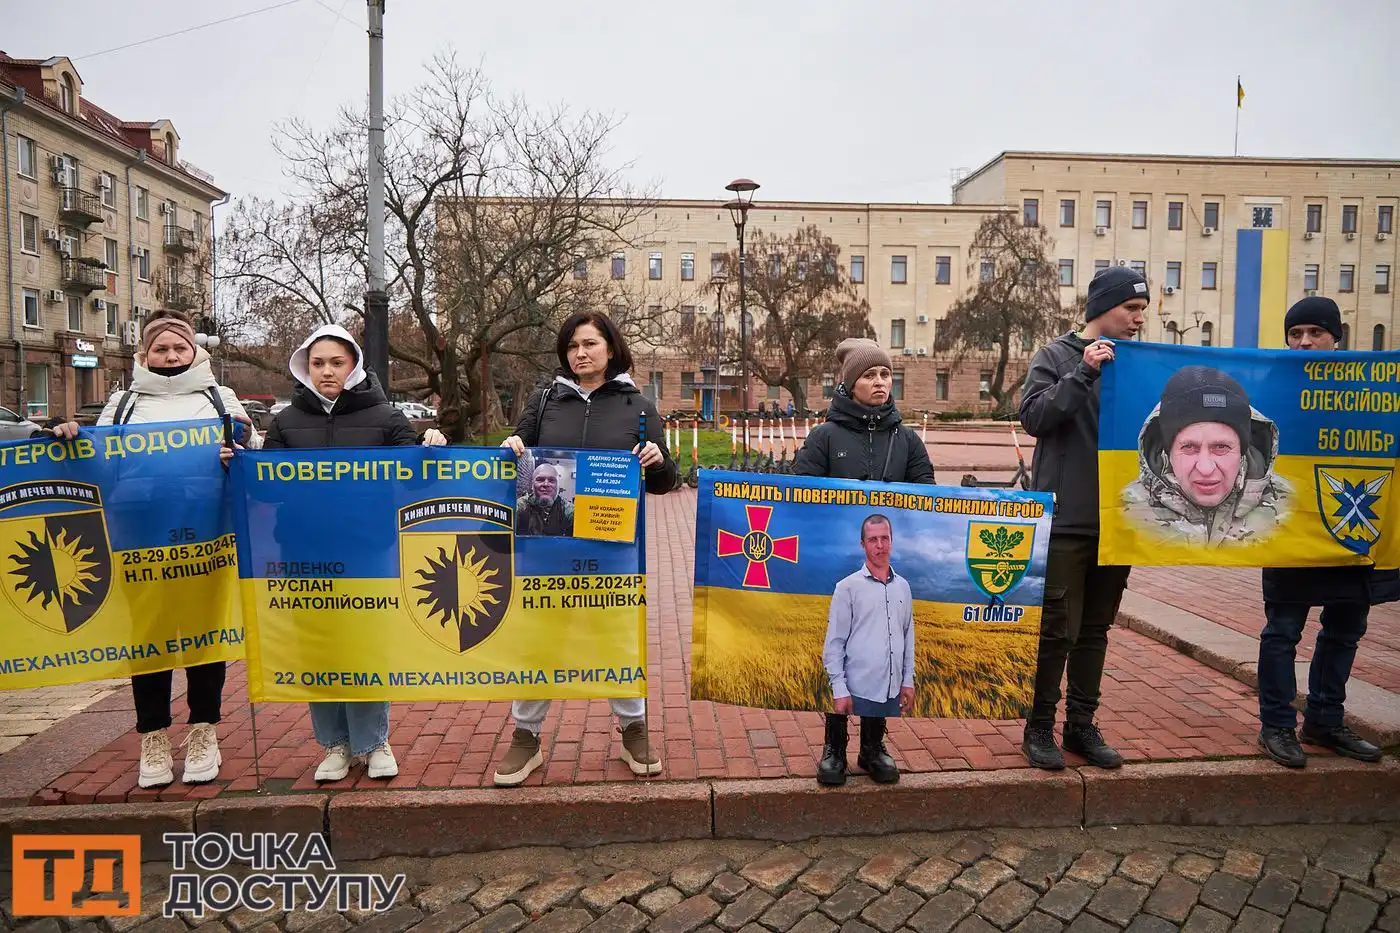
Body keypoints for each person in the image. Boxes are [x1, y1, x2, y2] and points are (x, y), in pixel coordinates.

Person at [44, 309, 260, 789]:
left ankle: (204, 730)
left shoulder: (219, 398)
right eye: (160, 349)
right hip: (141, 544)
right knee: (150, 642)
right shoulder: (121, 404)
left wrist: (239, 449)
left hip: (206, 540)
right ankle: (154, 735)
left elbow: (251, 449)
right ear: (144, 354)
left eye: (178, 347)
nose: (170, 355)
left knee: (206, 638)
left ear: (193, 351)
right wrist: (67, 437)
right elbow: (96, 462)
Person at [495, 310, 678, 785]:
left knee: (616, 636)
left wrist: (658, 462)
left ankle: (633, 729)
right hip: (545, 547)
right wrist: (512, 447)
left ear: (611, 349)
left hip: (612, 547)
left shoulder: (638, 406)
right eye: (574, 346)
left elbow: (664, 482)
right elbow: (516, 459)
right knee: (540, 640)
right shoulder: (545, 399)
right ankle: (526, 737)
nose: (581, 353)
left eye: (591, 344)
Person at [260, 323, 445, 783]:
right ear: (305, 367)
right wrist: (236, 463)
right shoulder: (284, 422)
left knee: (365, 646)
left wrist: (432, 450)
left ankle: (373, 740)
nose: (326, 371)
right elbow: (264, 487)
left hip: (367, 550)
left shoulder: (385, 417)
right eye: (318, 363)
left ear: (354, 365)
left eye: (336, 362)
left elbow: (418, 478)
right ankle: (335, 744)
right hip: (305, 554)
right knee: (320, 649)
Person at [1018, 266, 1147, 771]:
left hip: (1119, 521)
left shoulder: (1139, 365)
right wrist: (1085, 372)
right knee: (1057, 629)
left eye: (1141, 311)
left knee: (1095, 629)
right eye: (1130, 309)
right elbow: (1035, 417)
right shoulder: (1056, 356)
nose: (1137, 320)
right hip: (1067, 521)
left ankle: (1081, 726)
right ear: (1100, 310)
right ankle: (1039, 727)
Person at [1257, 296, 1394, 768]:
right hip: (1290, 531)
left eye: (1315, 332)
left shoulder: (1366, 387)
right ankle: (1276, 726)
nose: (1304, 342)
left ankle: (1325, 721)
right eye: (1295, 334)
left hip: (1349, 529)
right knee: (1282, 633)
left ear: (1336, 337)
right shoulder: (1272, 386)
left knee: (1344, 630)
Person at [794, 336, 933, 786]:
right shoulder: (824, 437)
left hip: (886, 568)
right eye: (869, 375)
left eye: (884, 374)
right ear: (849, 384)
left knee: (883, 650)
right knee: (846, 648)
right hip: (845, 571)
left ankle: (873, 746)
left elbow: (928, 496)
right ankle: (834, 746)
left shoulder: (907, 439)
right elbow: (799, 493)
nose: (879, 382)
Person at [1122, 366, 1289, 545]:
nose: (1206, 468)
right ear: (1167, 452)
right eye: (1188, 447)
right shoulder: (1124, 510)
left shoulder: (1290, 506)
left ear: (1242, 451)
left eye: (1221, 447)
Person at [823, 514, 915, 785]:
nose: (879, 545)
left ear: (891, 541)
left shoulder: (903, 587)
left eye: (884, 538)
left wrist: (907, 680)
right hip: (853, 682)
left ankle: (871, 750)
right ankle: (835, 751)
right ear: (863, 544)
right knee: (839, 709)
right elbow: (834, 642)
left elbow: (908, 636)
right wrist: (839, 687)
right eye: (872, 539)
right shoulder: (847, 588)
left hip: (885, 683)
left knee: (880, 698)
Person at [516, 461, 574, 536]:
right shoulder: (521, 506)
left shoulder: (567, 510)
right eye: (540, 479)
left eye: (552, 480)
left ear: (558, 486)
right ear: (532, 485)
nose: (546, 484)